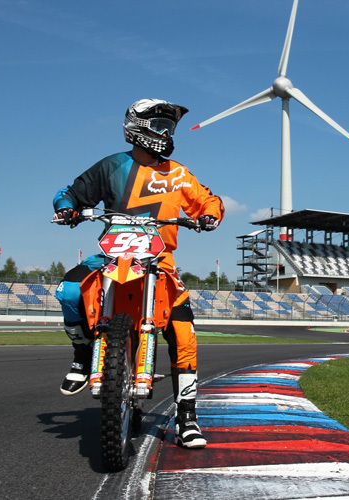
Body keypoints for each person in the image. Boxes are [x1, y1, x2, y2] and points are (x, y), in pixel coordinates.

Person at [52, 99, 224, 449]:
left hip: (160, 264)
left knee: (184, 334)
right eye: (159, 125)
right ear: (136, 127)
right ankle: (83, 353)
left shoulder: (178, 173)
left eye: (169, 128)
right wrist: (68, 208)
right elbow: (70, 192)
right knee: (70, 289)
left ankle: (187, 416)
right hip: (111, 257)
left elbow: (208, 200)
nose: (165, 133)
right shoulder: (113, 165)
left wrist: (210, 215)